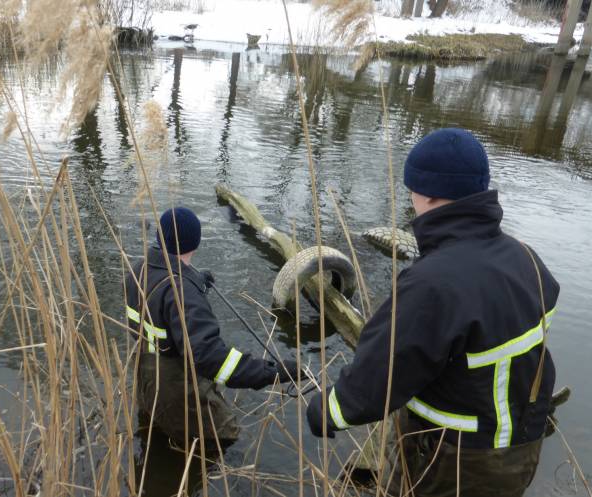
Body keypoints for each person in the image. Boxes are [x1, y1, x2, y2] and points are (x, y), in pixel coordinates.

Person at [306, 128, 559, 497]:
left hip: (452, 461)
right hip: (521, 449)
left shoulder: (432, 284)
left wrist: (326, 411)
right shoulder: (526, 258)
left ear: (424, 192)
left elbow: (380, 375)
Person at [125, 207, 301, 446]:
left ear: (160, 238)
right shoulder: (183, 292)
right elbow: (212, 360)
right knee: (225, 437)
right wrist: (273, 372)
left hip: (147, 382)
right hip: (177, 390)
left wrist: (194, 280)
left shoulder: (138, 269)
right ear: (195, 244)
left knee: (154, 435)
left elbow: (160, 307)